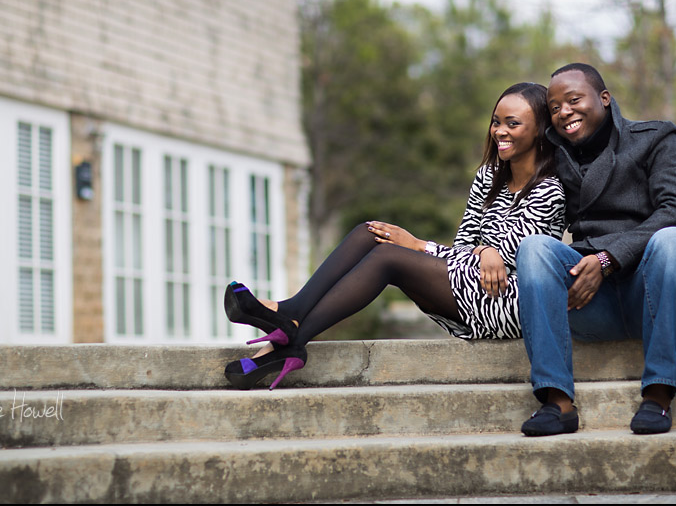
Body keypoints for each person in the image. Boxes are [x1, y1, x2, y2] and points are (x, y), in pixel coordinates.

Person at [222, 82, 566, 390]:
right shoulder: (489, 177)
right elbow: (464, 248)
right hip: (468, 282)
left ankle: (291, 329)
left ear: (539, 132)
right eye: (496, 121)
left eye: (513, 123)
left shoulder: (549, 191)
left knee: (389, 256)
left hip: (508, 301)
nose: (499, 131)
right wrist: (481, 252)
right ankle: (291, 324)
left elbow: (509, 259)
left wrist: (419, 246)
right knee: (371, 233)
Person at [516, 63, 676, 437]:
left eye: (573, 100)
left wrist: (607, 259)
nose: (564, 112)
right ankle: (557, 403)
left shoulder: (655, 138)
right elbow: (511, 185)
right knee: (535, 247)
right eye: (554, 108)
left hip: (649, 292)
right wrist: (485, 247)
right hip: (590, 302)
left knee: (672, 239)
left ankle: (658, 394)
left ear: (604, 98)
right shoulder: (554, 157)